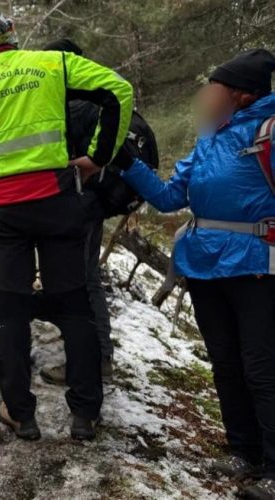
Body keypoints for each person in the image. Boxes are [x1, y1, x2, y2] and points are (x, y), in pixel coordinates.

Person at [0, 12, 133, 441]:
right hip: (57, 198)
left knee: (9, 314)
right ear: (13, 39)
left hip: (3, 210)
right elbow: (118, 91)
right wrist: (98, 157)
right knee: (74, 308)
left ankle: (21, 414)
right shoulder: (53, 64)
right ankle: (85, 414)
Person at [117, 49, 275, 500]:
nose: (207, 96)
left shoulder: (269, 132)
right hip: (204, 266)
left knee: (261, 368)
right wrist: (128, 161)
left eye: (216, 89)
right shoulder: (209, 138)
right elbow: (169, 198)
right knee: (224, 362)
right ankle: (243, 452)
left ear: (241, 95)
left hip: (256, 266)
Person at [39, 38, 114, 385]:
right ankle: (100, 358)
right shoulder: (98, 101)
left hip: (72, 205)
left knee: (77, 284)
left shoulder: (66, 106)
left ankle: (86, 366)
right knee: (89, 280)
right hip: (94, 204)